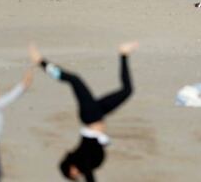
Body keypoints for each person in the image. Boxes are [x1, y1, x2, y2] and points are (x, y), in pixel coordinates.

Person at [28, 41, 138, 182]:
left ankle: (41, 62)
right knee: (127, 91)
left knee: (75, 80)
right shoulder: (85, 160)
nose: (75, 175)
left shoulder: (82, 159)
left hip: (91, 115)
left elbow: (88, 175)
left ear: (70, 168)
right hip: (98, 114)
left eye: (72, 175)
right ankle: (123, 53)